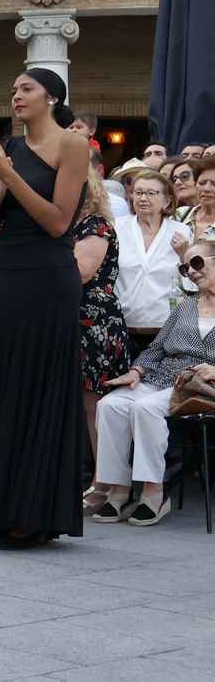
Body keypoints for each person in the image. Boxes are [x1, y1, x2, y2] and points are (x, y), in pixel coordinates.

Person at [0, 66, 90, 549]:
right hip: (5, 274)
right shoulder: (9, 148)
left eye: (26, 88)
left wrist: (8, 176)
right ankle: (2, 506)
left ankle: (36, 516)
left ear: (52, 97)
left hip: (47, 277)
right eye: (13, 89)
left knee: (36, 388)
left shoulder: (72, 145)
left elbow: (58, 223)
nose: (16, 95)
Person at [89, 240, 215, 527]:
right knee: (110, 405)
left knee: (145, 408)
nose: (191, 272)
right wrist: (137, 370)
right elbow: (156, 348)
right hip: (162, 378)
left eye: (197, 263)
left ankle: (153, 492)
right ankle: (119, 490)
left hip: (200, 386)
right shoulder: (186, 306)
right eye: (185, 267)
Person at [75, 172, 134, 465]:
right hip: (70, 317)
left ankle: (106, 477)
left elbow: (81, 272)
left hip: (95, 321)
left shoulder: (95, 225)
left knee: (94, 403)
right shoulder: (66, 225)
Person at [116, 171, 191, 349]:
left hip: (165, 328)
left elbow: (192, 284)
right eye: (138, 192)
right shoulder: (117, 226)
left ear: (167, 201)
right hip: (121, 324)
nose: (143, 198)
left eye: (151, 193)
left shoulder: (181, 231)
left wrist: (184, 255)